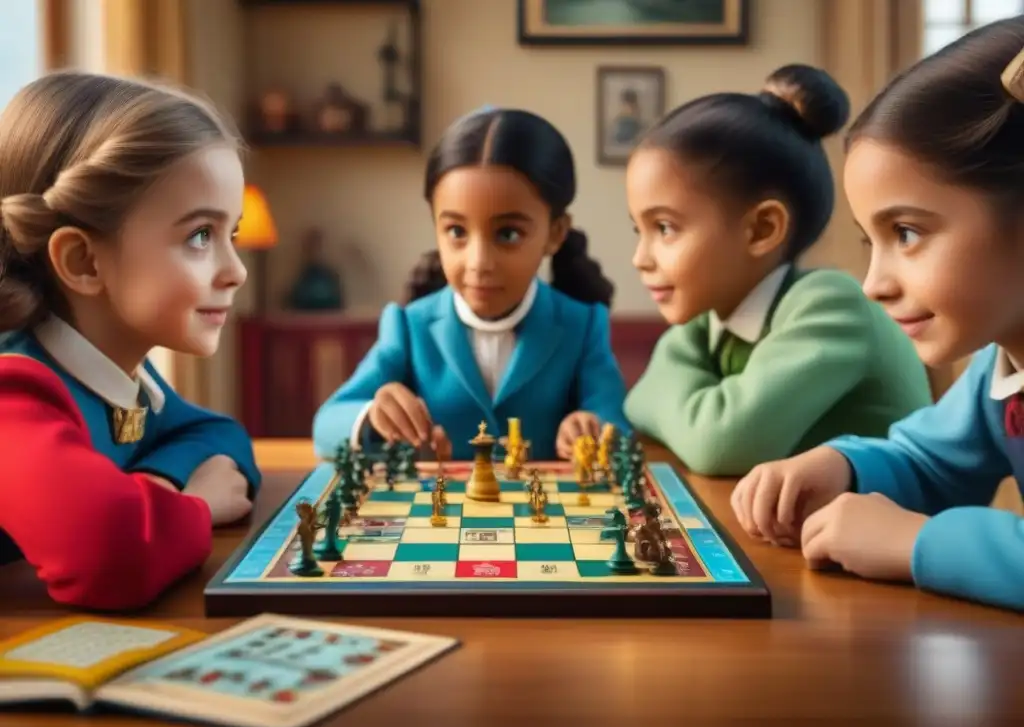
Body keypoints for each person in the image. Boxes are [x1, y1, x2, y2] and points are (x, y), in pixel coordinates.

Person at [731, 19, 1024, 612]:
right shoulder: (999, 368)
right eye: (872, 242)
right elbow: (930, 462)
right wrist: (841, 466)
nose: (873, 286)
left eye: (908, 232)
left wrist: (917, 541)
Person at [0, 72, 260, 610]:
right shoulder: (13, 391)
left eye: (229, 235)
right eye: (199, 236)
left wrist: (155, 485)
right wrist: (199, 506)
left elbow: (219, 434)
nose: (236, 271)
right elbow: (108, 555)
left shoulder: (120, 380)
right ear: (83, 261)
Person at [623, 64, 932, 476]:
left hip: (898, 534)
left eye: (664, 228)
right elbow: (637, 405)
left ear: (762, 229)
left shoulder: (832, 305)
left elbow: (721, 444)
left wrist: (669, 371)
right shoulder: (717, 323)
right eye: (637, 230)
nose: (639, 258)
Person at [313, 107, 628, 461]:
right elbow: (327, 424)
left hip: (542, 512)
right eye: (457, 232)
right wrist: (372, 416)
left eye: (508, 234)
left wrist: (592, 429)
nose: (479, 263)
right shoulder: (408, 326)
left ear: (555, 233)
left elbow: (616, 422)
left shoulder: (583, 326)